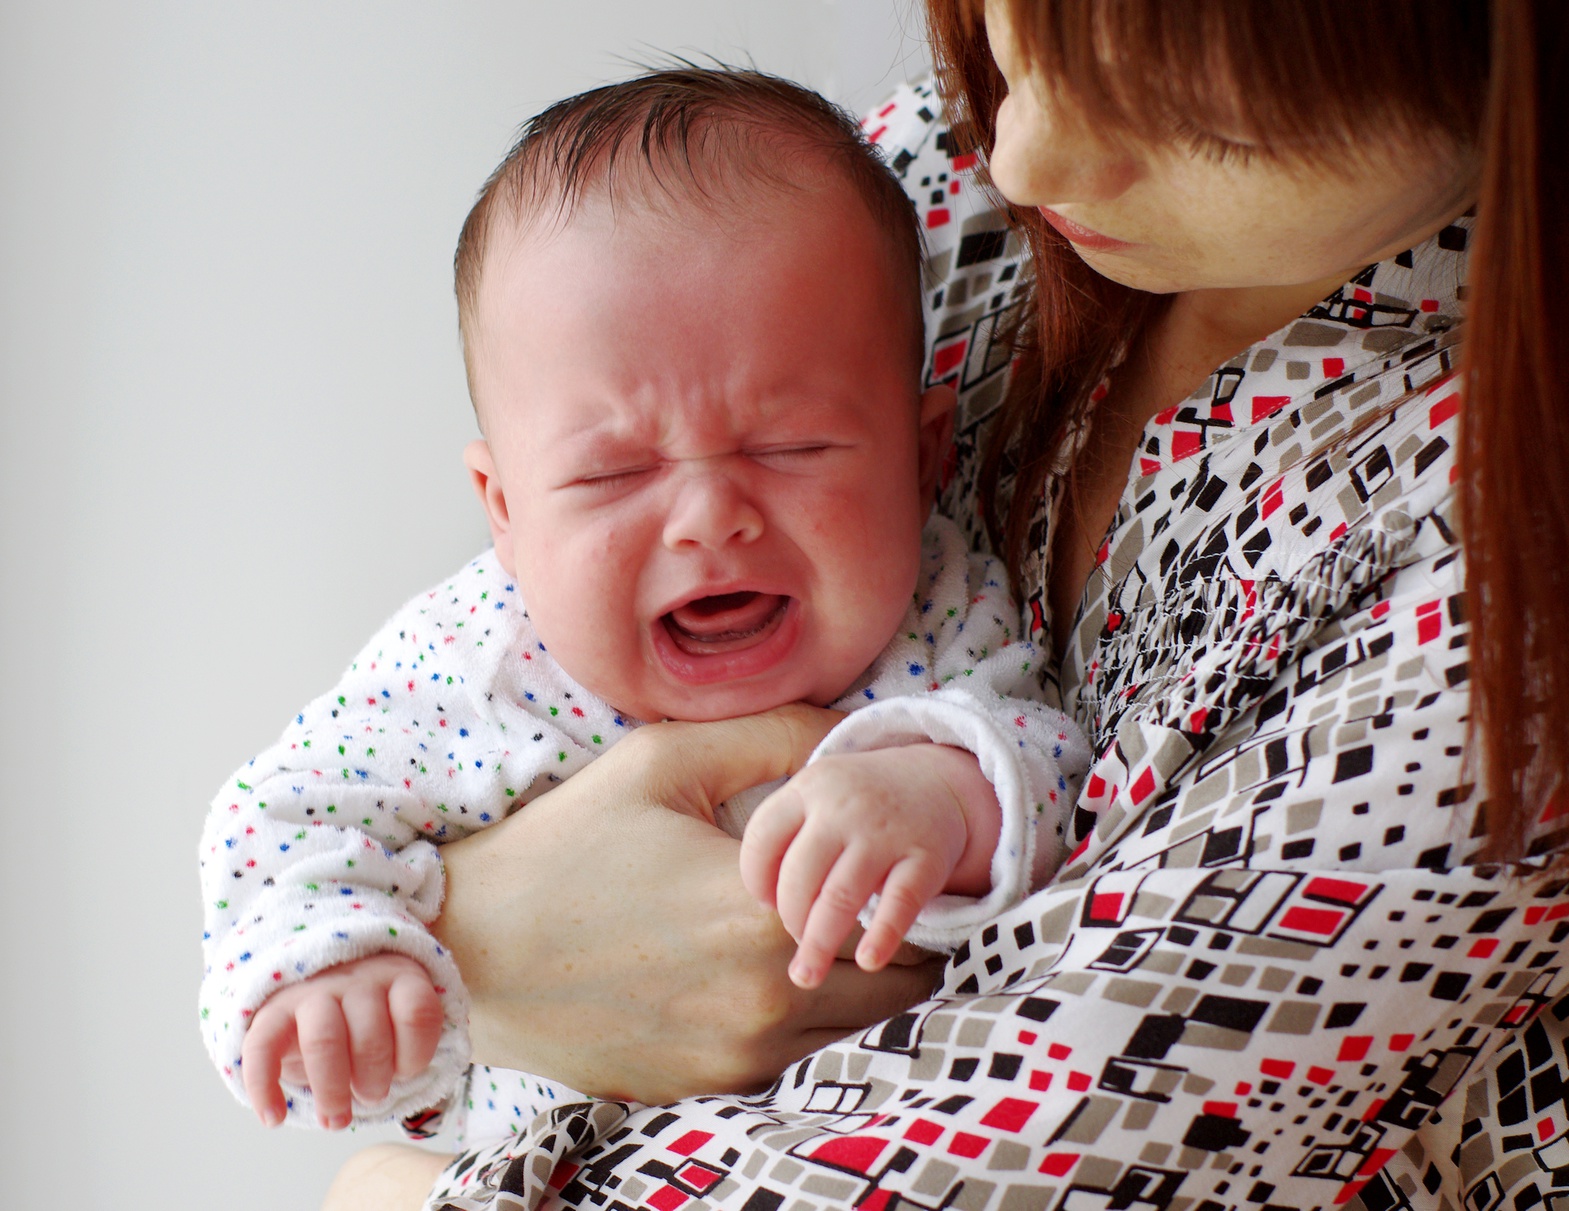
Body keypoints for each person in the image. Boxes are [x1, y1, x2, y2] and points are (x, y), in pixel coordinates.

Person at [326, 2, 1569, 1210]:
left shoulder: (1493, 583)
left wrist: (400, 1187)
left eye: (1202, 120)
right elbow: (328, 800)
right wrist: (478, 945)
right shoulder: (909, 176)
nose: (1024, 158)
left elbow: (1033, 1140)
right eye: (1011, 38)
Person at [198, 68, 1092, 1146]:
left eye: (791, 446)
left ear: (923, 456)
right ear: (506, 511)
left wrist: (947, 792)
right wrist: (329, 966)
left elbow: (1051, 757)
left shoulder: (941, 606)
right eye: (614, 473)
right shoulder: (475, 663)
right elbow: (284, 817)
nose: (709, 519)